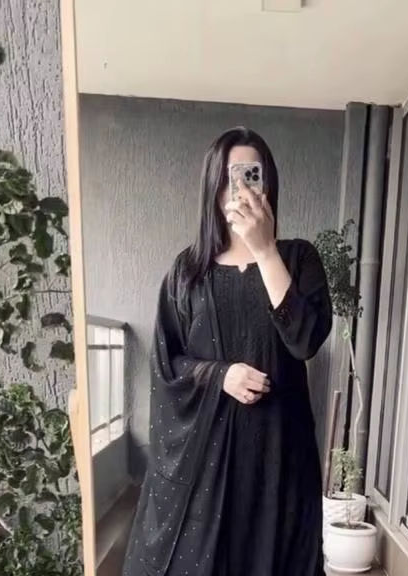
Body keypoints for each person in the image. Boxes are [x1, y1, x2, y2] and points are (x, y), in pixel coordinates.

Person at [122, 127, 333, 576]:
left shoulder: (299, 258)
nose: (240, 189)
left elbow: (305, 341)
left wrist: (265, 251)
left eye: (250, 175)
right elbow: (168, 364)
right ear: (213, 187)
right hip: (208, 466)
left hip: (280, 459)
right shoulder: (188, 271)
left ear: (267, 183)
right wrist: (221, 375)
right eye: (229, 177)